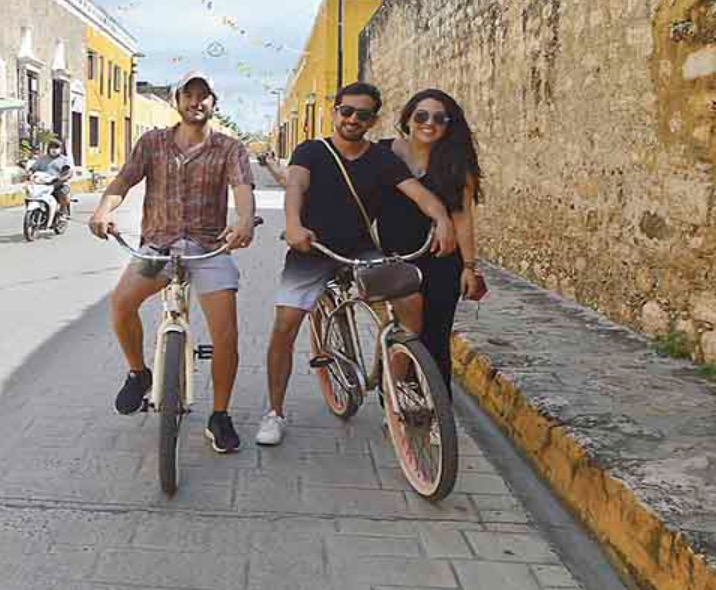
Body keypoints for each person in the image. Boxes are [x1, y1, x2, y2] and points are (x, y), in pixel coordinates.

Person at [256, 82, 457, 447]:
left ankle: (390, 392)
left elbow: (420, 194)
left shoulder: (383, 161)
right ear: (335, 111)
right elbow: (296, 187)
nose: (352, 119)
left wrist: (442, 218)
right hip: (312, 250)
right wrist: (293, 224)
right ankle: (274, 412)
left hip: (362, 251)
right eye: (346, 111)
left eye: (362, 115)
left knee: (411, 304)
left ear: (373, 119)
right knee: (285, 324)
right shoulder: (312, 151)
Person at [89, 72, 256, 454]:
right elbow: (124, 181)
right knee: (121, 303)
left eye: (204, 96)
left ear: (215, 102)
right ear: (177, 101)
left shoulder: (229, 148)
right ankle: (138, 372)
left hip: (209, 246)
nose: (196, 102)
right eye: (189, 95)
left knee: (226, 334)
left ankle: (220, 415)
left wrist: (244, 220)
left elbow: (242, 188)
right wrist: (102, 209)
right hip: (159, 246)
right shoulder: (152, 142)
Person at [377, 89, 484, 393]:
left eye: (439, 118)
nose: (429, 123)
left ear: (448, 125)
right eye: (421, 115)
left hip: (440, 259)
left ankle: (438, 414)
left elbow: (463, 216)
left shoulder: (454, 164)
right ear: (408, 118)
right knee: (401, 330)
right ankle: (394, 401)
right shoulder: (383, 153)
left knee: (436, 338)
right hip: (393, 259)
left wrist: (469, 266)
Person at [31, 138, 74, 218]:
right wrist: (29, 173)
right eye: (52, 147)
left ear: (60, 149)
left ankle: (64, 210)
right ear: (48, 148)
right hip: (43, 184)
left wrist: (62, 178)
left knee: (62, 192)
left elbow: (69, 172)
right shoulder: (42, 159)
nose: (54, 149)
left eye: (56, 147)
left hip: (59, 183)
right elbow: (33, 168)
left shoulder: (64, 160)